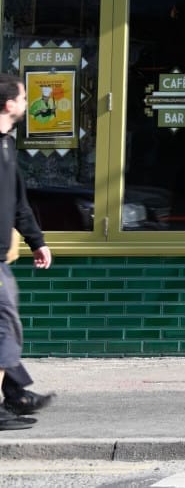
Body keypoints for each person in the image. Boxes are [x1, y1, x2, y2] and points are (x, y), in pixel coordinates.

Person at [0, 74, 54, 427]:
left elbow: (18, 202)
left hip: (1, 257)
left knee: (6, 325)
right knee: (5, 328)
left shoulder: (6, 145)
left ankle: (15, 392)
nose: (25, 103)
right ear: (8, 104)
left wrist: (37, 240)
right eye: (22, 97)